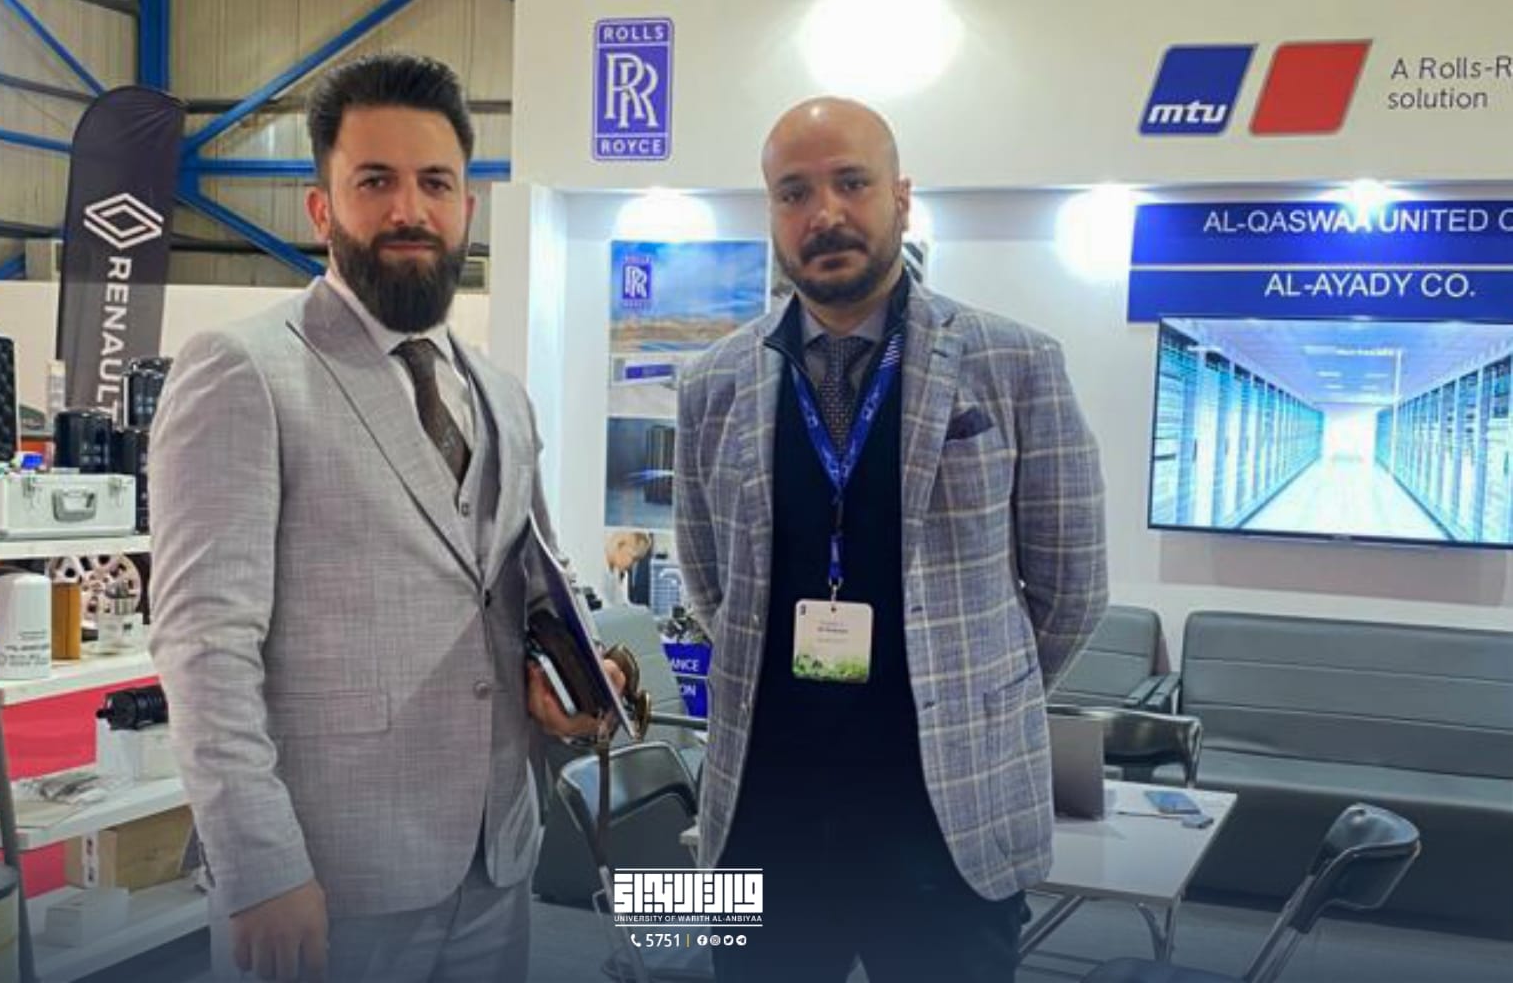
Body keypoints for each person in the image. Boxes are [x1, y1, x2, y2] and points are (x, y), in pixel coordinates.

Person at [149, 53, 617, 983]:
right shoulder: (244, 371)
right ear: (321, 209)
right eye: (375, 182)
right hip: (328, 876)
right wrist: (260, 866)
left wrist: (575, 679)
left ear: (466, 207)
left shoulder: (500, 394)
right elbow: (205, 641)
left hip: (495, 856)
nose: (410, 209)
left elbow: (531, 587)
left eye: (434, 183)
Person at [673, 97, 1109, 983]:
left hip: (944, 819)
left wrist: (976, 694)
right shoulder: (712, 383)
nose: (824, 213)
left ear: (900, 199)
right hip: (766, 811)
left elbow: (1071, 586)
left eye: (851, 183)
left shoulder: (1014, 364)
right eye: (794, 192)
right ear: (771, 213)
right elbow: (708, 578)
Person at [603, 530, 654, 606]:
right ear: (620, 545)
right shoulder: (598, 571)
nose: (633, 565)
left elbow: (619, 604)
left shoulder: (614, 573)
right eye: (634, 559)